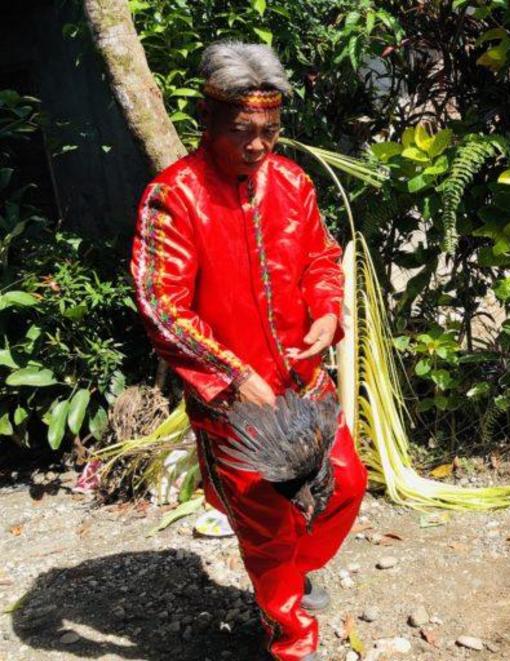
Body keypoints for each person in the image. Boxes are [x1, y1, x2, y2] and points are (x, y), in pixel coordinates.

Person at [130, 40, 367, 661]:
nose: (259, 145)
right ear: (207, 123)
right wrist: (231, 376)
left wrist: (324, 308)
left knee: (344, 484)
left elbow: (320, 257)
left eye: (270, 129)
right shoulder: (173, 197)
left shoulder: (292, 181)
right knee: (266, 523)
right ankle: (291, 640)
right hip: (236, 403)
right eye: (243, 131)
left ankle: (292, 568)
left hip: (301, 383)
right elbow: (160, 305)